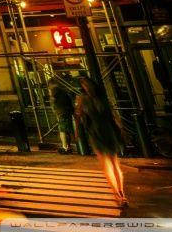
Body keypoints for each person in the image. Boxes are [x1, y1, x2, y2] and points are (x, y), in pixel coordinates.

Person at [75, 76, 126, 205]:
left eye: (87, 84)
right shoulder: (86, 99)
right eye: (84, 85)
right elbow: (79, 116)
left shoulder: (91, 99)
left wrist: (120, 127)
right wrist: (77, 130)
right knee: (108, 164)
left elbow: (112, 114)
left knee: (114, 164)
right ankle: (117, 194)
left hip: (105, 131)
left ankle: (121, 193)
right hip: (98, 132)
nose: (86, 87)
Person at [50, 82, 77, 154]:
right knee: (67, 130)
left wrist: (56, 111)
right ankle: (68, 146)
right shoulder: (65, 94)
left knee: (63, 130)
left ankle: (65, 147)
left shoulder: (55, 95)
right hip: (67, 112)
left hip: (61, 114)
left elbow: (54, 105)